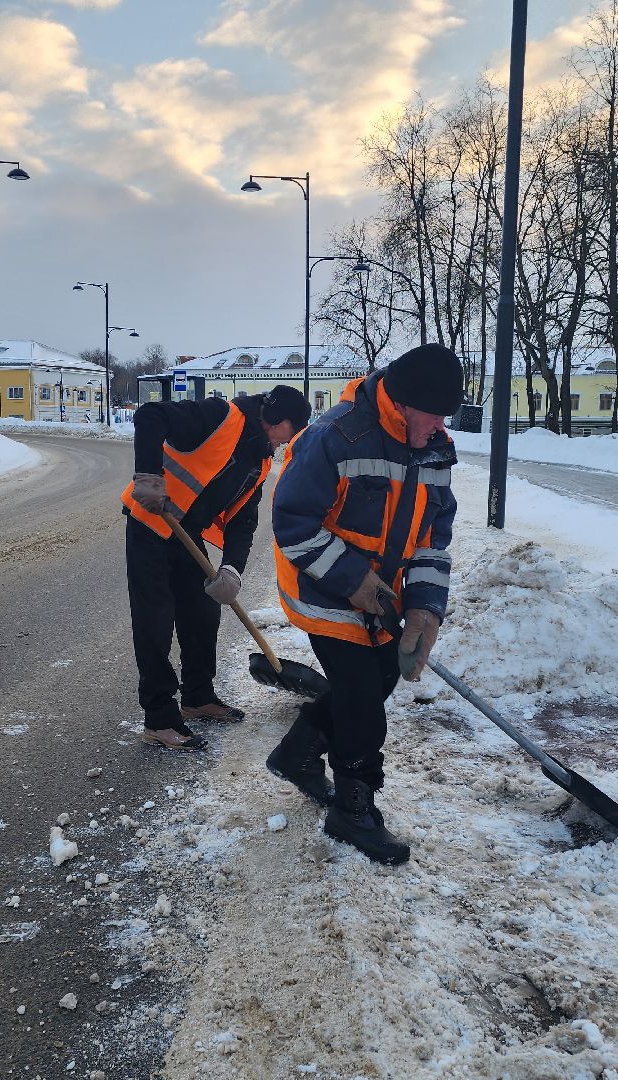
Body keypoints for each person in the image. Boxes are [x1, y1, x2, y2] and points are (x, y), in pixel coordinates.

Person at [268, 344, 462, 864]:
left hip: (383, 594)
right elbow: (292, 523)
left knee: (381, 676)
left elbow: (432, 540)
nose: (440, 425)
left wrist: (424, 608)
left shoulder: (435, 449)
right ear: (400, 403)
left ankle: (299, 750)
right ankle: (353, 806)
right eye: (434, 413)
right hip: (324, 586)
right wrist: (354, 581)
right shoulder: (335, 436)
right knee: (360, 697)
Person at [123, 384, 310, 751]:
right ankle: (159, 719)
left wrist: (233, 570)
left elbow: (243, 521)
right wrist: (148, 477)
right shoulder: (218, 417)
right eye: (289, 432)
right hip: (149, 524)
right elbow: (150, 416)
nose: (286, 443)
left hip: (184, 532)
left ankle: (196, 697)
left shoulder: (259, 459)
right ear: (276, 419)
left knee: (203, 613)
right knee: (155, 623)